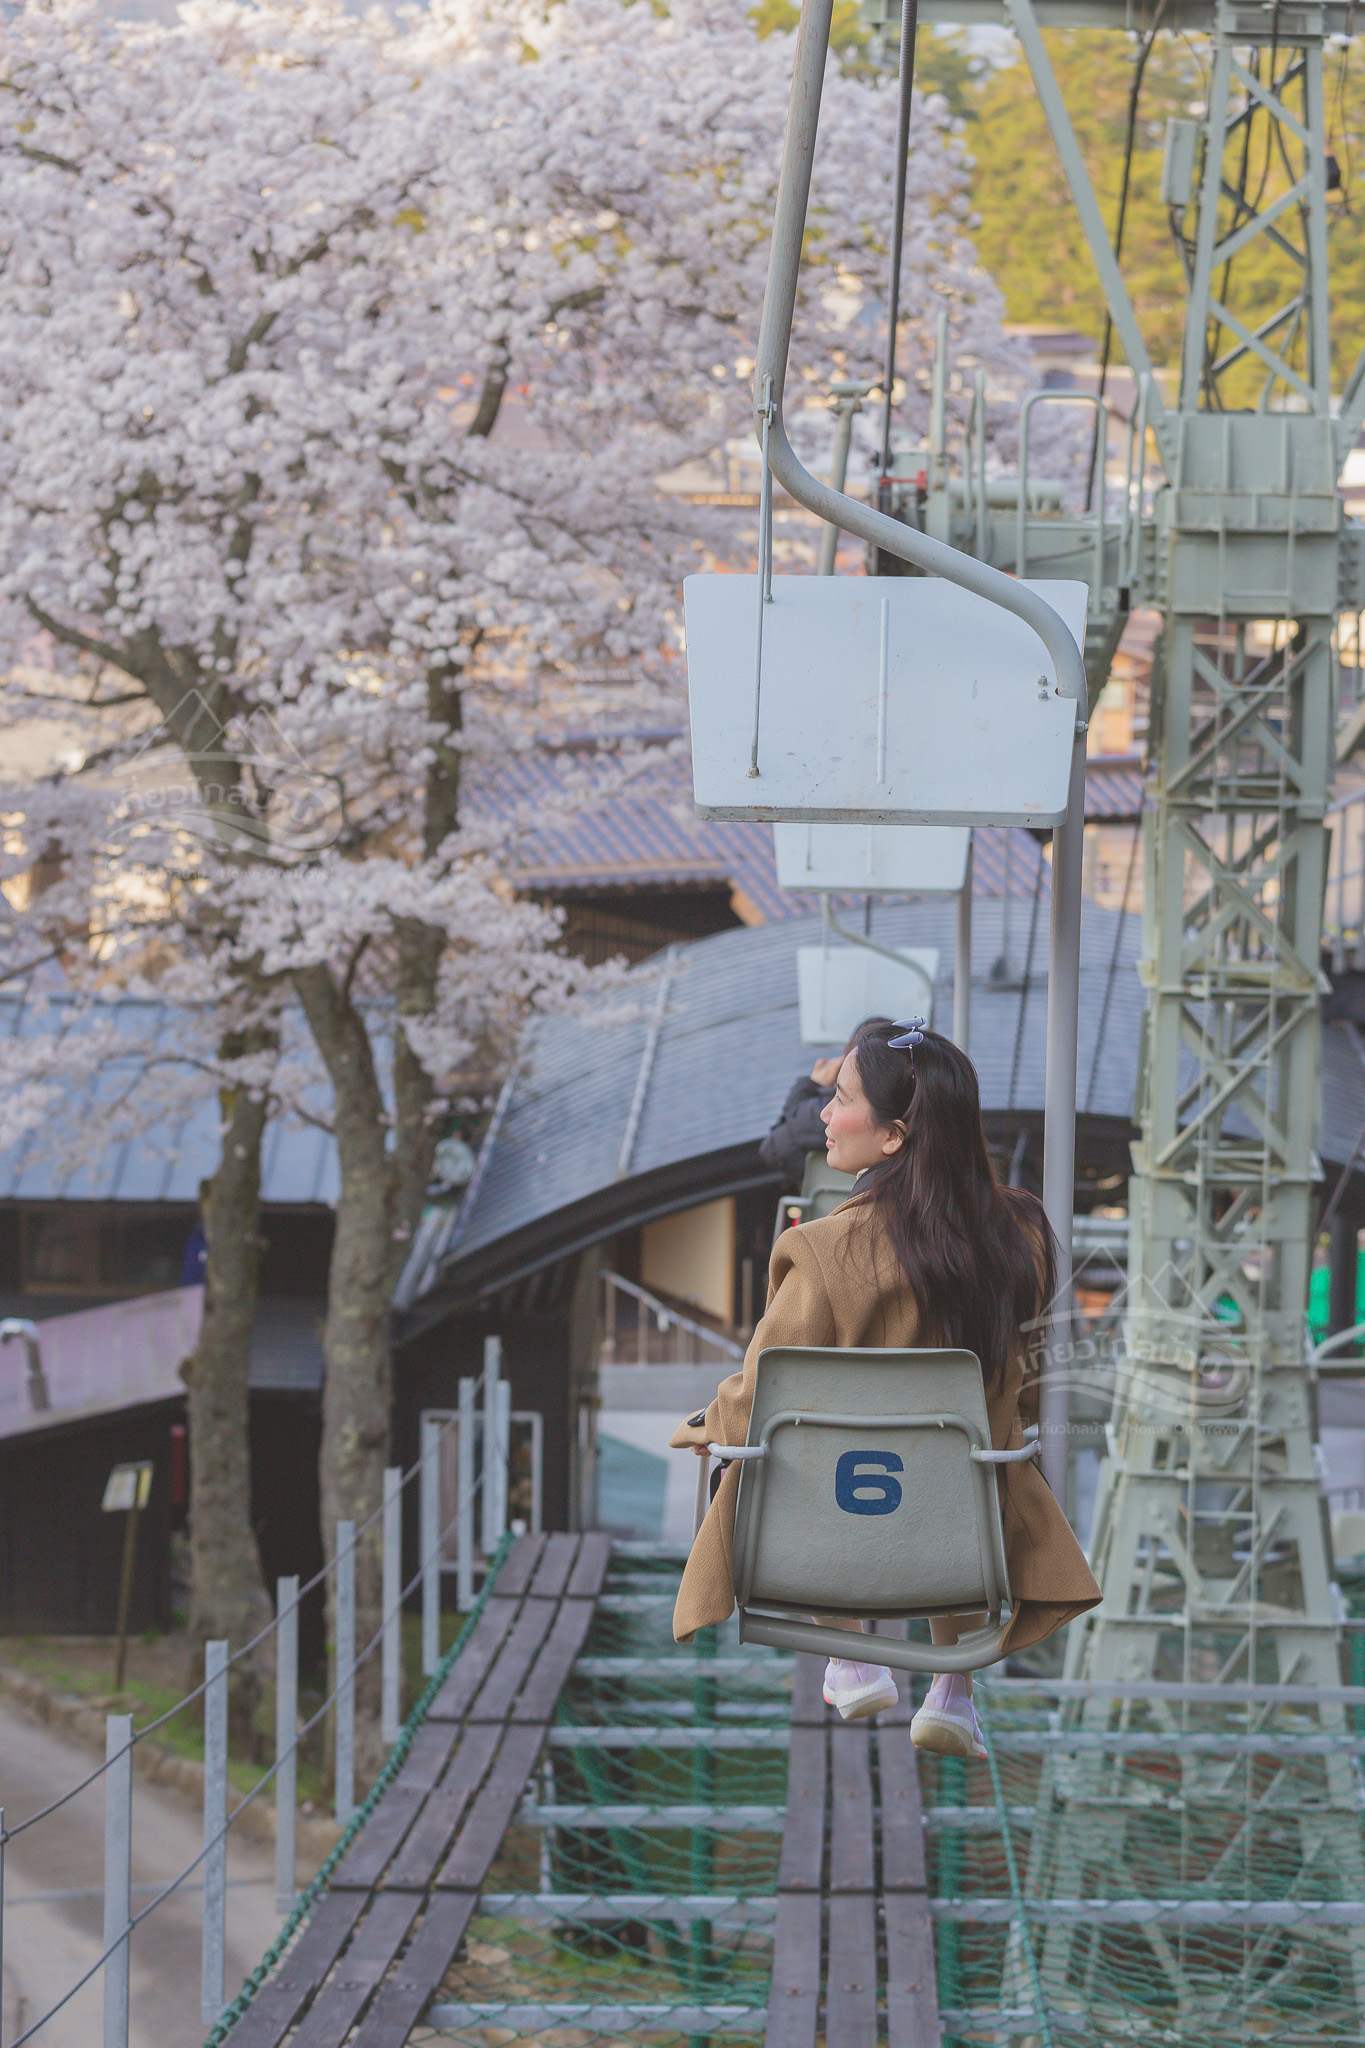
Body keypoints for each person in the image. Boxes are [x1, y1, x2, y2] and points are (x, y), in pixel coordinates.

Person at [671, 1016, 1099, 1756]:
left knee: (777, 1450)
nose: (825, 1118)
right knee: (979, 1450)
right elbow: (1030, 1386)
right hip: (965, 1541)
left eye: (839, 1100)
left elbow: (762, 1390)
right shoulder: (1020, 1235)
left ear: (894, 1136)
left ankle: (847, 1648)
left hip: (840, 1539)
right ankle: (953, 1686)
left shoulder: (822, 1247)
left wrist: (701, 1425)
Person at [759, 1018, 893, 1191]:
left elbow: (772, 1149)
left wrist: (811, 1084)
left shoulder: (818, 1110)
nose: (825, 1114)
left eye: (840, 1099)